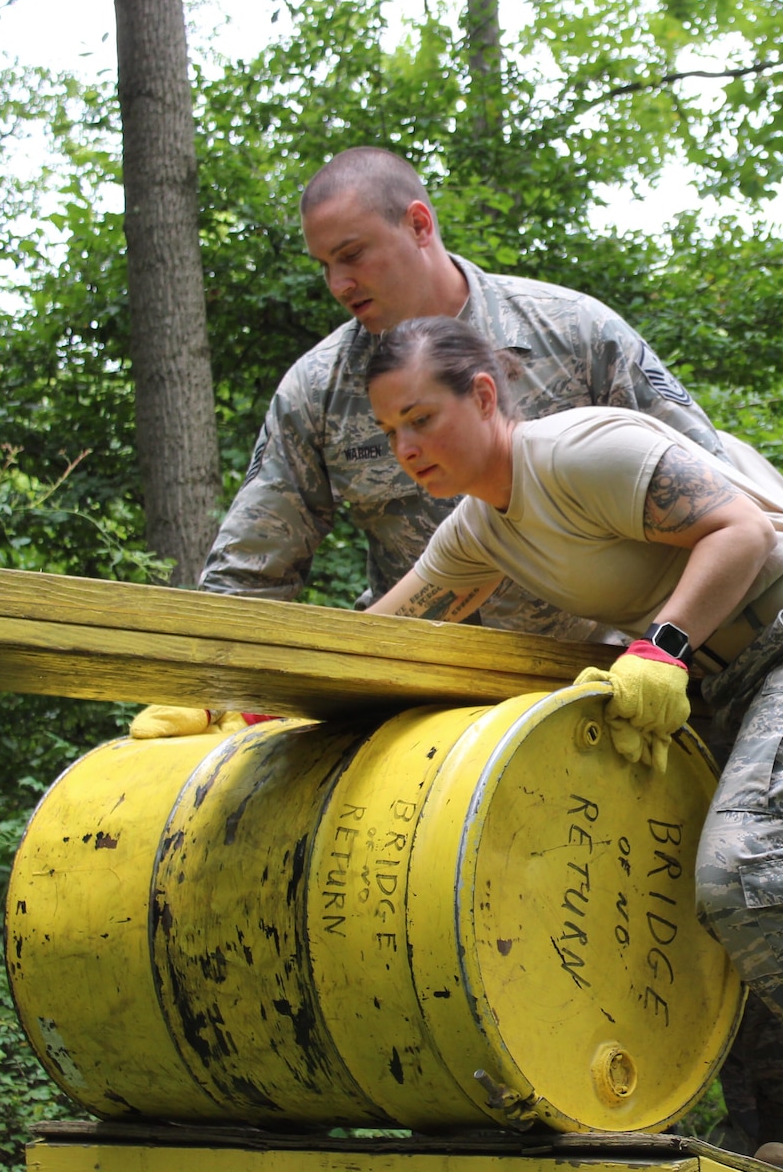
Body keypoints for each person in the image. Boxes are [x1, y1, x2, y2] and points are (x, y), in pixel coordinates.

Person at [361, 314, 783, 1172]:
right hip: (742, 682)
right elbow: (384, 630)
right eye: (389, 429)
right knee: (703, 911)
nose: (406, 446)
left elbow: (740, 530)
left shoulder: (580, 450)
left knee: (750, 869)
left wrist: (661, 646)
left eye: (420, 417)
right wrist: (235, 701)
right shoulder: (479, 530)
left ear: (482, 395)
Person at [130, 145, 726, 738]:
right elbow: (253, 565)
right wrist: (207, 685)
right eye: (325, 265)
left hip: (595, 690)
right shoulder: (317, 390)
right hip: (412, 713)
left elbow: (717, 494)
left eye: (352, 254)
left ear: (418, 224)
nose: (339, 283)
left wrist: (674, 653)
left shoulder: (575, 334)